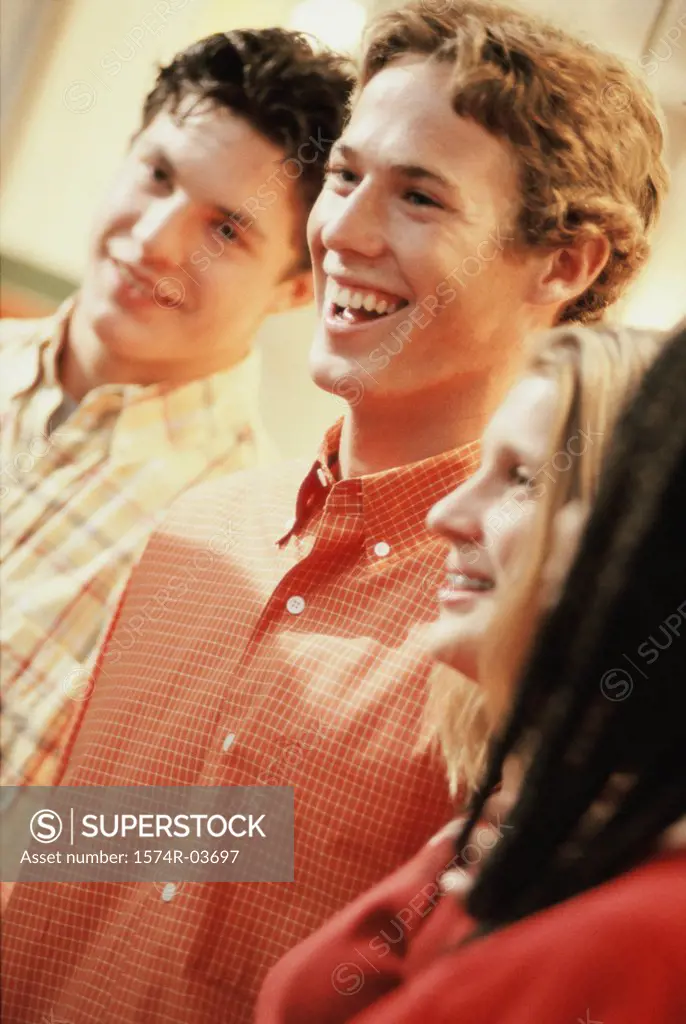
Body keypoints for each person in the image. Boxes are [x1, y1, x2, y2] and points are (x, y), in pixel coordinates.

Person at [0, 2, 669, 1021]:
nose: (342, 231)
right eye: (346, 175)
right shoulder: (199, 529)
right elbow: (133, 846)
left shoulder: (523, 622)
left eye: (419, 198)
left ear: (563, 262)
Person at [259, 319, 686, 1024]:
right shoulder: (511, 816)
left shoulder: (647, 922)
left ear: (641, 535)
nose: (445, 514)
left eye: (522, 478)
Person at [0, 29, 353, 789]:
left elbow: (143, 852)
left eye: (226, 228)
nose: (155, 242)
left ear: (299, 288)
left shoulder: (252, 556)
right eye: (158, 175)